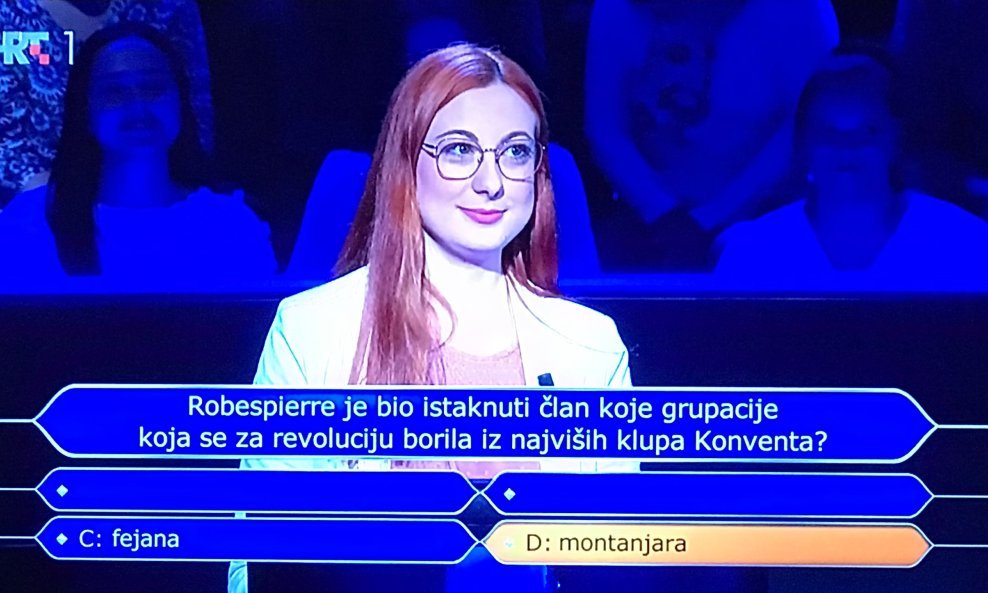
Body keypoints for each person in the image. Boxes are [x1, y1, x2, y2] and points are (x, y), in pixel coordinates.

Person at [232, 44, 634, 593]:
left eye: (515, 152)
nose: (491, 182)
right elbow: (255, 559)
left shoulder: (589, 346)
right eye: (460, 150)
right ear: (406, 162)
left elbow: (622, 559)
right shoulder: (312, 329)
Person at [0, 24, 276, 286]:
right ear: (84, 111)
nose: (138, 109)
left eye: (153, 89)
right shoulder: (29, 222)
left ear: (181, 100)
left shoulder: (229, 224)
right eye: (115, 92)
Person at [584, 0, 838, 271]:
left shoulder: (801, 10)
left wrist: (712, 217)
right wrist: (661, 212)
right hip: (647, 225)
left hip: (774, 221)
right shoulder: (615, 8)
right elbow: (605, 128)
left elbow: (808, 122)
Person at [715, 48, 988, 286]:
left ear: (897, 139)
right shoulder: (751, 252)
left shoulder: (965, 244)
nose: (847, 146)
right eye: (827, 131)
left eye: (868, 131)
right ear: (804, 143)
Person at [0, 0, 212, 204]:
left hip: (162, 195)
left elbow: (195, 114)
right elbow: (8, 142)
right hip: (35, 202)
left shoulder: (167, 6)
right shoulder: (8, 14)